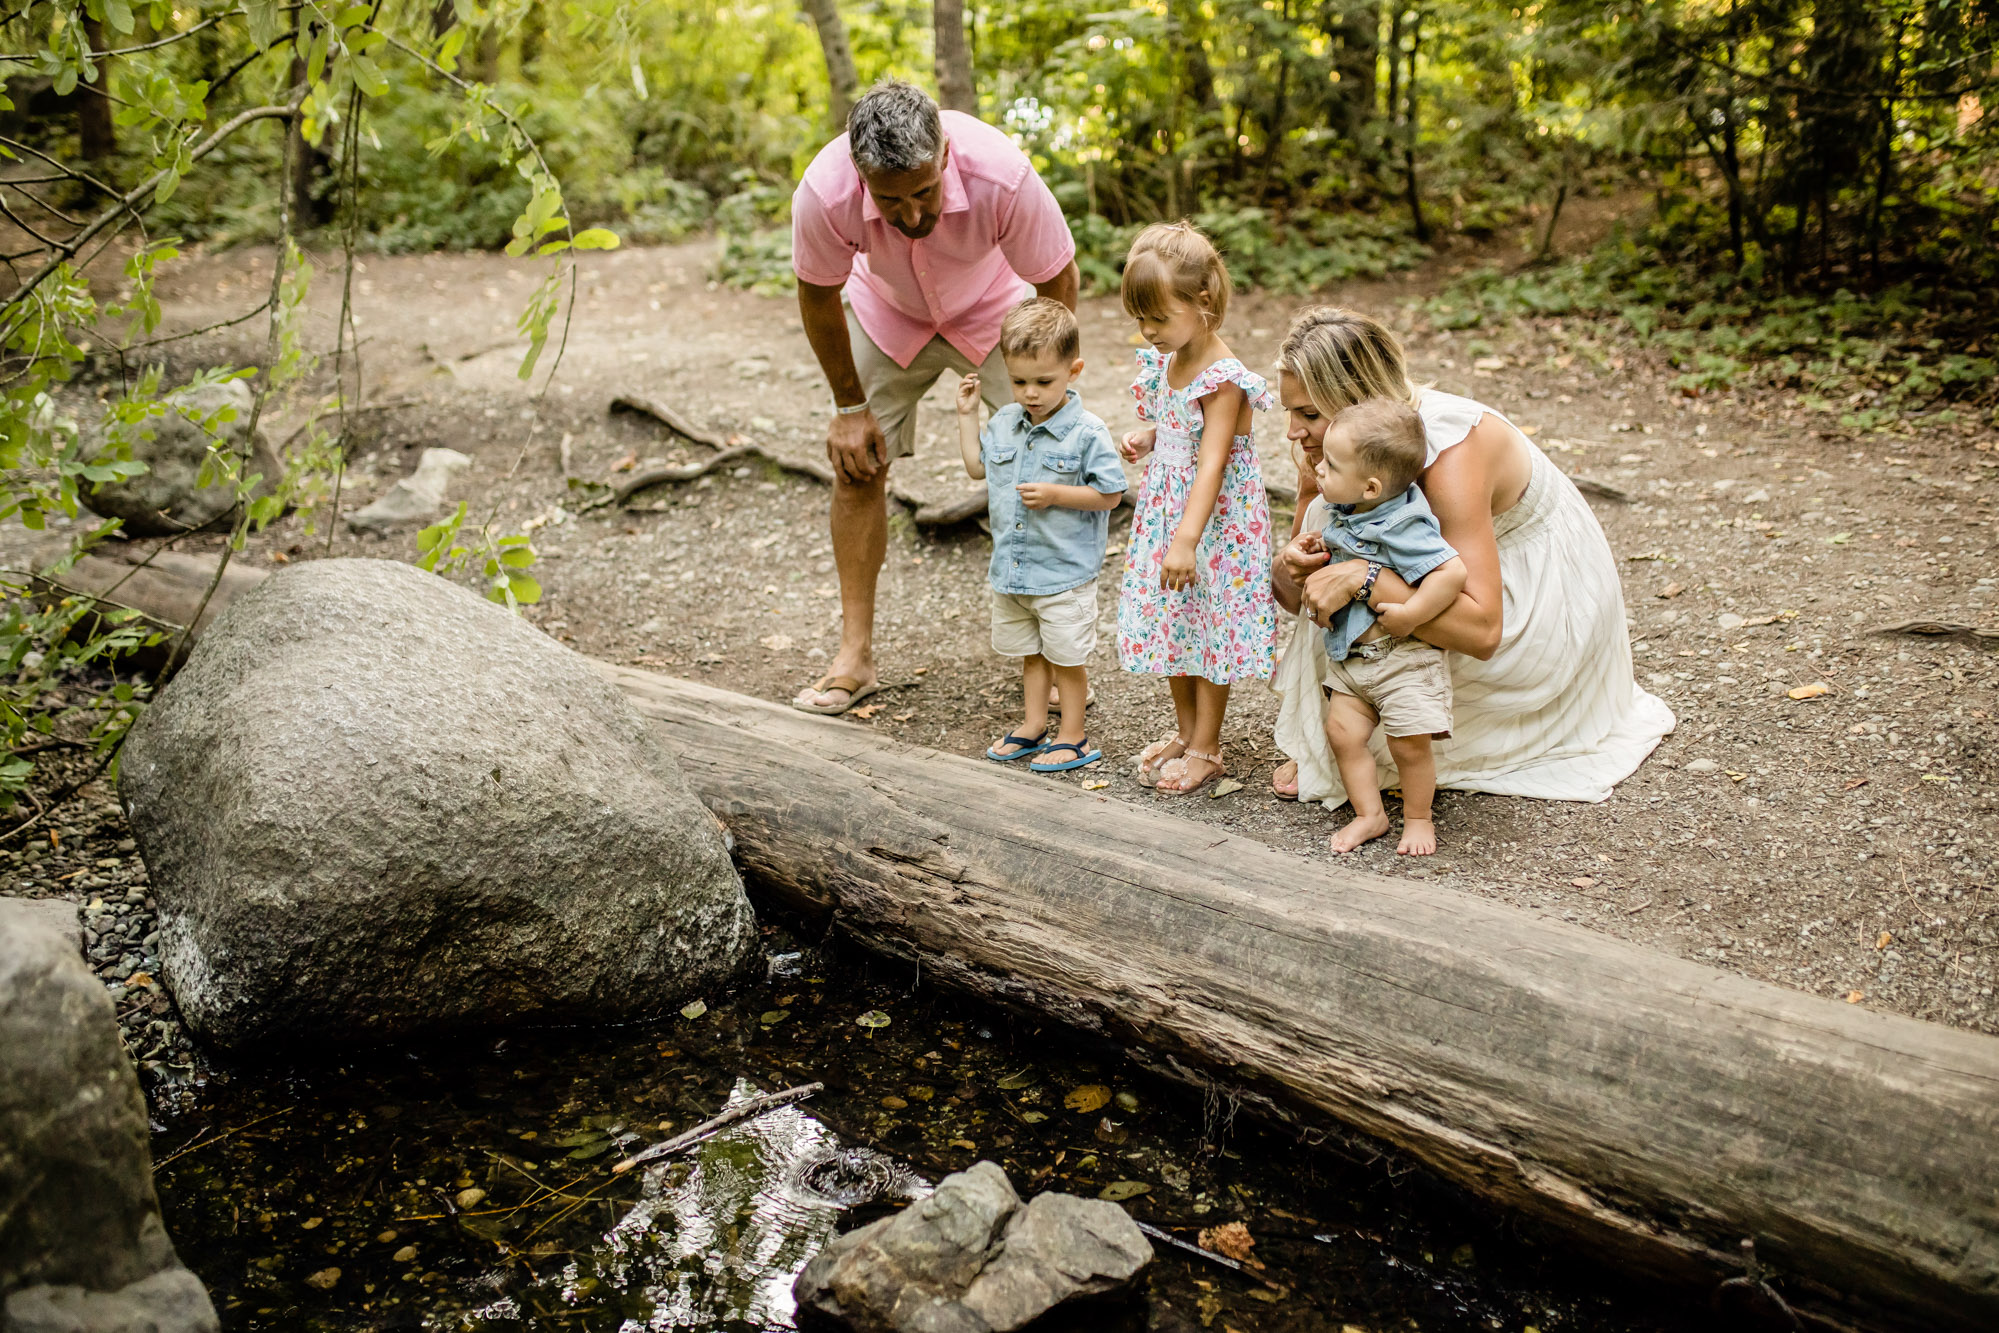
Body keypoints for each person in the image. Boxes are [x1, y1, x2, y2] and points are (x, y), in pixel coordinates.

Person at [1267, 307, 1675, 807]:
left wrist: (1360, 575)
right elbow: (1294, 602)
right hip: (1422, 590)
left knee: (1356, 592)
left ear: (1358, 401)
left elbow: (1483, 633)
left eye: (1308, 413)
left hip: (1527, 594)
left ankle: (1387, 737)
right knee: (1325, 537)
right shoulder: (1336, 454)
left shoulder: (1450, 453)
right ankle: (1358, 731)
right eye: (1289, 411)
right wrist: (1290, 563)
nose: (1292, 431)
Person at [788, 79, 1081, 715]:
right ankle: (854, 656)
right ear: (862, 178)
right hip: (886, 314)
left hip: (994, 313)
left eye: (925, 192)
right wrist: (847, 409)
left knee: (1042, 465)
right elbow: (817, 295)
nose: (913, 215)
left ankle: (1054, 656)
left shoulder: (1003, 175)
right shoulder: (824, 192)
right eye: (892, 201)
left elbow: (1056, 274)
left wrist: (1052, 383)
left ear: (945, 154)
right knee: (855, 463)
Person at [1114, 222, 1278, 796]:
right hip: (1169, 510)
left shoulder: (1223, 377)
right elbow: (1182, 425)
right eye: (1142, 319)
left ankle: (1208, 744)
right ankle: (1186, 731)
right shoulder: (1171, 357)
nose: (1148, 331)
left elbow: (1213, 462)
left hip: (1211, 524)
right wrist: (1152, 436)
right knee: (1174, 623)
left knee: (1209, 627)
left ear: (1202, 302)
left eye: (1158, 318)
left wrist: (1186, 538)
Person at [954, 298, 1126, 772]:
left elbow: (1110, 494)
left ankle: (1073, 734)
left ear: (1074, 371)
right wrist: (967, 416)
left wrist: (1056, 493)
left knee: (1066, 658)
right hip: (1014, 571)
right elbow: (976, 468)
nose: (1030, 392)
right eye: (1019, 381)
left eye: (1043, 381)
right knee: (1031, 655)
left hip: (1064, 572)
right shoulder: (1005, 423)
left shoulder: (1087, 433)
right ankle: (1033, 726)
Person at [1308, 399, 1466, 856]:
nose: (1318, 468)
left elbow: (1451, 573)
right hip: (1351, 659)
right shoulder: (1351, 507)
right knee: (1342, 735)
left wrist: (1413, 613)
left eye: (1331, 465)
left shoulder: (1404, 522)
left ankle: (1418, 818)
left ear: (1372, 485)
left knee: (1409, 746)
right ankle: (1370, 814)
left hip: (1403, 658)